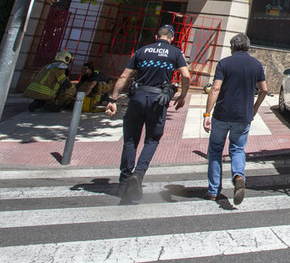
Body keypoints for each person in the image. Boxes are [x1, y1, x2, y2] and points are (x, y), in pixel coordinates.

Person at [106, 25, 190, 203]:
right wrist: (182, 96)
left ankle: (123, 182)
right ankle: (139, 173)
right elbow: (186, 75)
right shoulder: (175, 52)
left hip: (138, 97)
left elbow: (123, 77)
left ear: (155, 36)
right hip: (158, 101)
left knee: (130, 140)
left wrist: (112, 100)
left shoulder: (141, 51)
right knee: (152, 139)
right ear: (172, 38)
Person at [203, 32, 267, 205]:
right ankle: (238, 176)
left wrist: (207, 113)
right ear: (247, 46)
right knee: (238, 149)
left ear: (232, 46)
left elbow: (215, 89)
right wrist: (255, 107)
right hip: (243, 115)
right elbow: (264, 89)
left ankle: (213, 191)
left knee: (215, 151)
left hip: (222, 114)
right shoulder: (256, 64)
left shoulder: (224, 63)